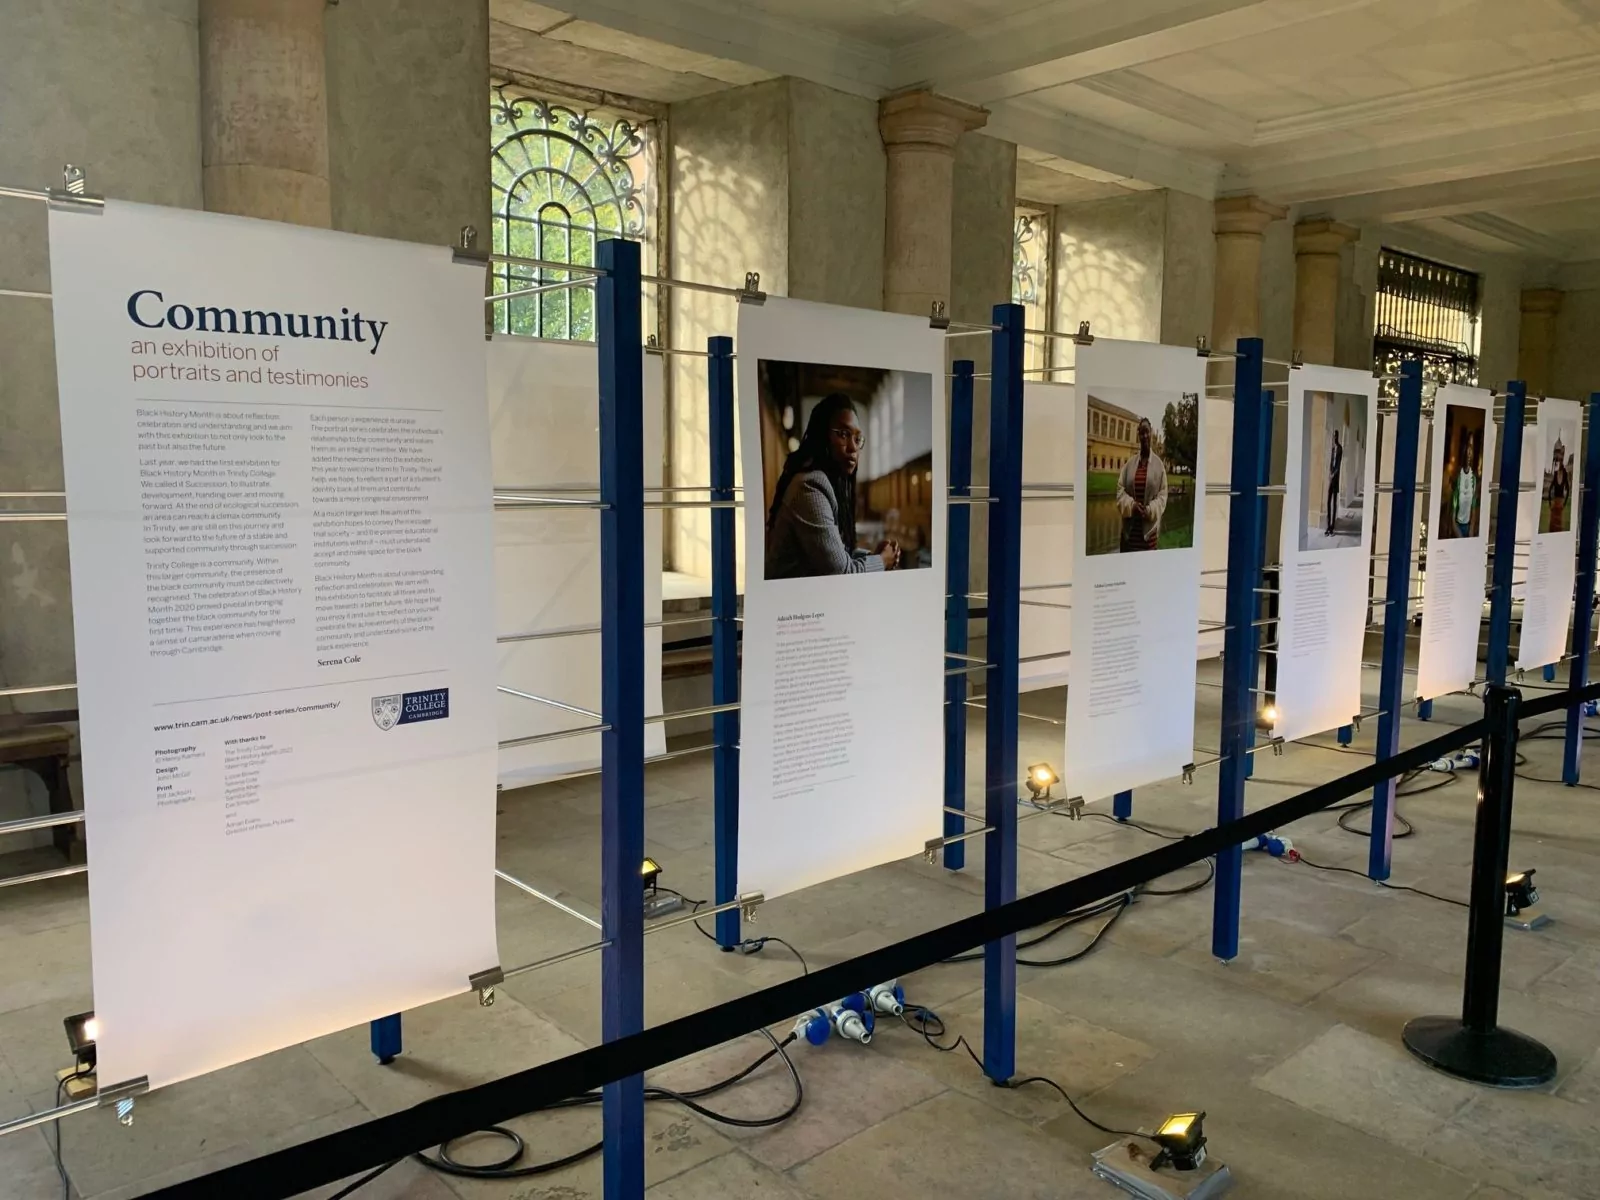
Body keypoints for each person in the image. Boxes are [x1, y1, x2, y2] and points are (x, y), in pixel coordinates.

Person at [765, 393, 900, 578]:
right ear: (822, 436)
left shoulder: (825, 484)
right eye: (844, 434)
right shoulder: (809, 487)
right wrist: (883, 561)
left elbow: (837, 554)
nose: (853, 448)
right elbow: (842, 572)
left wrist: (875, 557)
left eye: (857, 439)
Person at [1114, 416, 1169, 551]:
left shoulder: (1159, 465)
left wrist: (1150, 510)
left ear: (1151, 433)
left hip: (1148, 538)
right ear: (1138, 435)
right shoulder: (1130, 464)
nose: (1144, 436)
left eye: (1147, 432)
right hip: (1129, 537)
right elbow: (1120, 491)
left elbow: (1163, 496)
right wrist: (1132, 506)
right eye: (1141, 433)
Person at [1447, 427, 1479, 539]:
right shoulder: (1457, 477)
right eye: (1468, 447)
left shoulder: (1474, 479)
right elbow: (1452, 517)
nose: (1469, 452)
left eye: (1472, 448)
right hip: (1457, 528)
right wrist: (1459, 536)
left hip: (1469, 529)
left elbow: (1473, 508)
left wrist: (1470, 531)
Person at [1546, 436, 1571, 534]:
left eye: (1559, 459)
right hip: (1555, 501)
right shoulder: (1556, 473)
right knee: (1553, 523)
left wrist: (1564, 503)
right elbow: (1550, 488)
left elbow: (1567, 489)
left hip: (1560, 502)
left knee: (1558, 523)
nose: (1558, 461)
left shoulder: (1564, 474)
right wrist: (1550, 503)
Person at [1325, 429, 1343, 536]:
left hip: (1335, 479)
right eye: (1333, 436)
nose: (1334, 437)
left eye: (1336, 436)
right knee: (1328, 501)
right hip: (1331, 478)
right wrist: (1329, 472)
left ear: (1338, 437)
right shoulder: (1332, 449)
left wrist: (1333, 474)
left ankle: (1332, 526)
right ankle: (1328, 526)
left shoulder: (1340, 449)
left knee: (1334, 502)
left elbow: (1338, 465)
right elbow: (1331, 463)